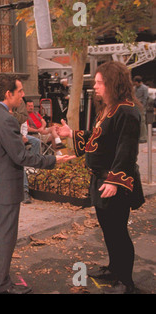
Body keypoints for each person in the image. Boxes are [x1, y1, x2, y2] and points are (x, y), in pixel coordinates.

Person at [0, 74, 74, 294]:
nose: (23, 95)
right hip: (4, 188)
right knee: (5, 236)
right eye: (19, 91)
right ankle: (1, 284)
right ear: (8, 94)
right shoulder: (5, 119)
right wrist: (53, 160)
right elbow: (21, 157)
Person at [57, 61, 145, 294]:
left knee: (118, 231)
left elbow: (126, 151)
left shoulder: (127, 111)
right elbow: (99, 139)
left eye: (99, 82)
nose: (94, 86)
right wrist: (72, 134)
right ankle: (114, 269)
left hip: (114, 183)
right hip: (101, 180)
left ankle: (126, 281)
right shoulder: (108, 108)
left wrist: (114, 181)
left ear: (112, 84)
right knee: (108, 229)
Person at [133, 76, 149, 143]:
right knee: (136, 121)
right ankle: (138, 136)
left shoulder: (144, 88)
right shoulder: (134, 88)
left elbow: (145, 98)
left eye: (136, 82)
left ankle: (143, 137)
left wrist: (143, 106)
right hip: (135, 105)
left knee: (142, 121)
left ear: (138, 82)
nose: (135, 84)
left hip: (141, 106)